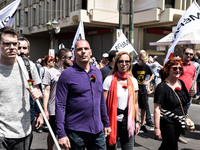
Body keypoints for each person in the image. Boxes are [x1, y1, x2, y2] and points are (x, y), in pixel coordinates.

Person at [55, 39, 111, 149]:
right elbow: (60, 105)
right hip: (75, 132)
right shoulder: (66, 75)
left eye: (86, 49)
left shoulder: (97, 72)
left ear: (90, 52)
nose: (83, 52)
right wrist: (61, 133)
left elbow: (100, 100)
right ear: (74, 53)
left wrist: (106, 122)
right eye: (79, 49)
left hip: (97, 131)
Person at [0, 26, 42, 149]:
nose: (12, 47)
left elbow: (38, 90)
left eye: (15, 44)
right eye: (7, 44)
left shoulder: (29, 66)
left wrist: (37, 94)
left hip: (23, 131)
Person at [154, 57, 195, 150]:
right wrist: (157, 128)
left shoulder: (181, 83)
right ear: (168, 69)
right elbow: (157, 108)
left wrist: (190, 95)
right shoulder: (162, 87)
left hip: (179, 122)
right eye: (174, 68)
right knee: (172, 145)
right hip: (167, 121)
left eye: (180, 68)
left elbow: (184, 102)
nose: (178, 70)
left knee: (167, 145)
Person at [103, 51, 140, 149]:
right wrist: (104, 122)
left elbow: (135, 103)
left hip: (128, 122)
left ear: (130, 63)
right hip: (111, 122)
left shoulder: (133, 81)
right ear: (117, 63)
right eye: (121, 61)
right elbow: (103, 103)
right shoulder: (109, 80)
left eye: (127, 61)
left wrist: (137, 121)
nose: (124, 64)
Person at [43, 48, 72, 150]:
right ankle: (49, 148)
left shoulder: (70, 71)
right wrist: (45, 110)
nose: (71, 60)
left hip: (68, 108)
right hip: (53, 108)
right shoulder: (50, 72)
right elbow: (46, 91)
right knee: (53, 132)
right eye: (69, 58)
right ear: (63, 58)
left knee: (66, 133)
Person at [18, 37, 44, 148]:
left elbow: (38, 91)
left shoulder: (32, 67)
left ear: (28, 50)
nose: (22, 51)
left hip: (29, 115)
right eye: (19, 48)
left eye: (25, 48)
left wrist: (41, 114)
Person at [132, 51, 154, 133]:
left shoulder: (147, 67)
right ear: (139, 59)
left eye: (145, 62)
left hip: (143, 89)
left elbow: (152, 75)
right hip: (135, 89)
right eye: (142, 61)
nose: (143, 63)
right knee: (135, 106)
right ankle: (135, 122)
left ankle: (142, 124)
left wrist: (148, 82)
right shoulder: (134, 67)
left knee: (144, 107)